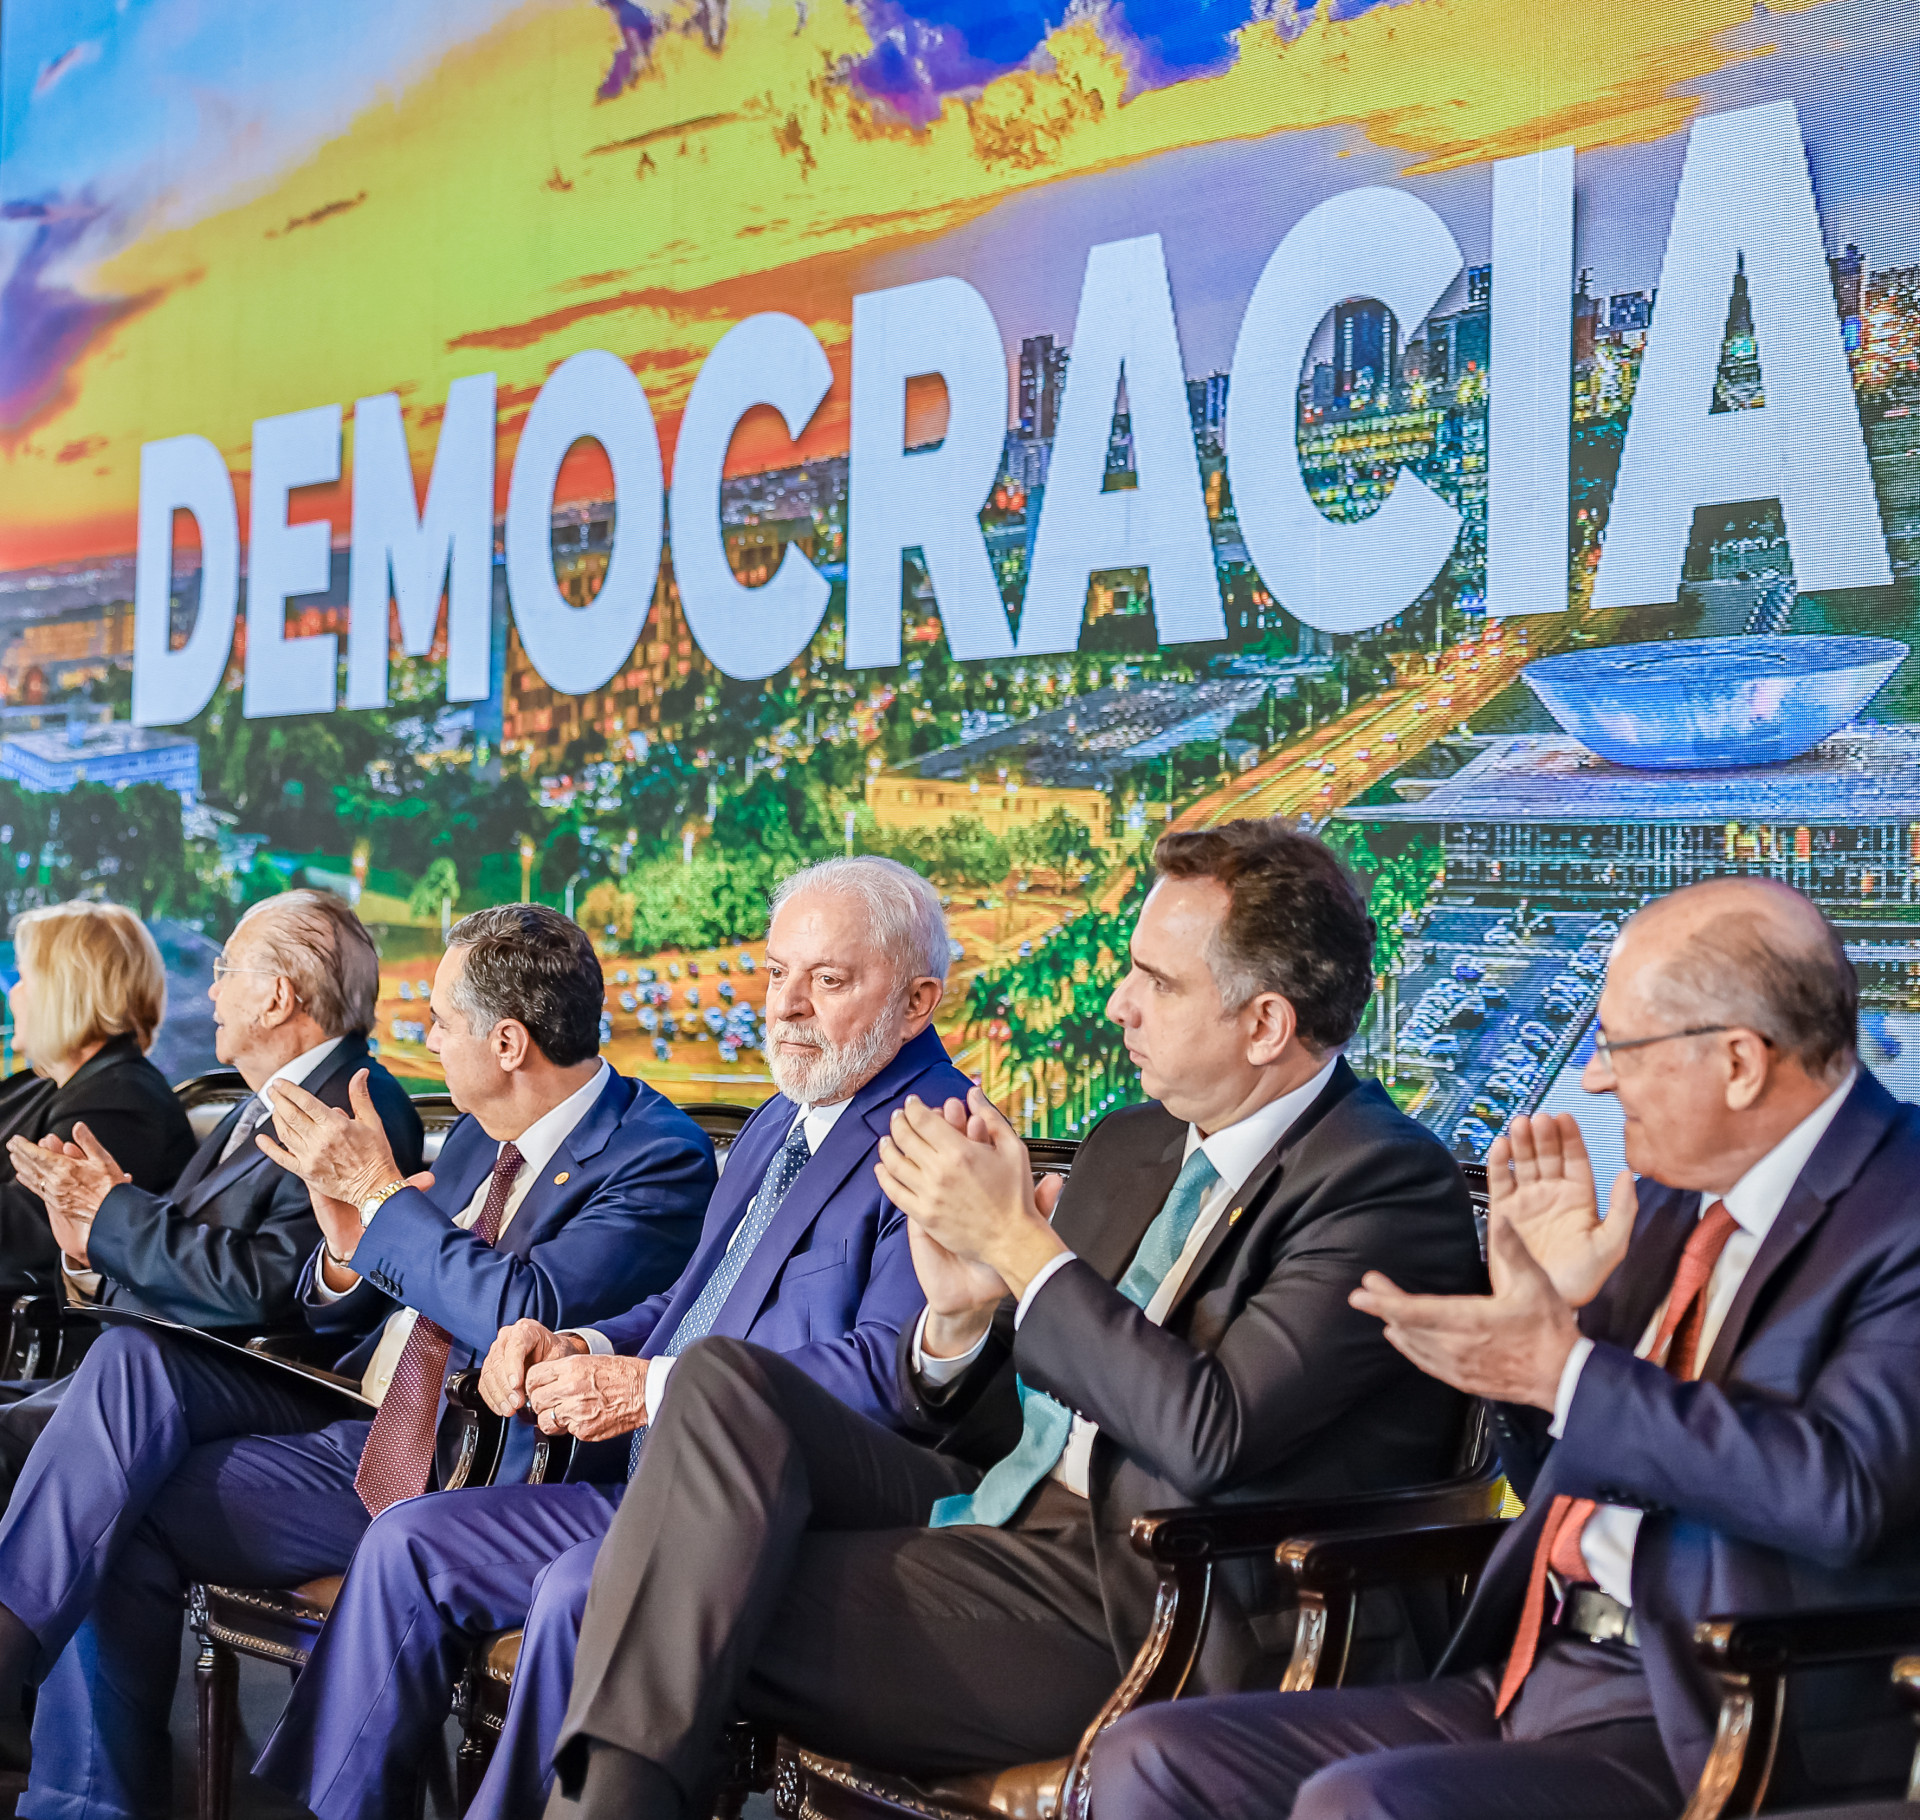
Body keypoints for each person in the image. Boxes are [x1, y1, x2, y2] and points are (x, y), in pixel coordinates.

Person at [545, 819, 1484, 1820]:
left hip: (1153, 1594)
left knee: (664, 1598)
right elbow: (1009, 1412)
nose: (1120, 1003)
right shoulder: (1129, 1146)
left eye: (1158, 983)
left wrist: (1025, 1249)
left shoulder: (1381, 1184)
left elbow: (1210, 1434)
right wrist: (959, 1320)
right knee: (722, 1379)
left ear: (1263, 1023)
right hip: (997, 1516)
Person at [1088, 877, 1920, 1820]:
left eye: (1620, 1048)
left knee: (1362, 1804)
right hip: (1543, 1659)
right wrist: (1553, 1327)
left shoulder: (1900, 1211)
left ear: (1738, 1063)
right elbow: (1560, 1469)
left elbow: (1842, 1492)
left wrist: (1567, 1366)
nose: (1597, 1077)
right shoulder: (1680, 1194)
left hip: (1732, 1705)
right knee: (1152, 1755)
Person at [255, 856, 970, 1820]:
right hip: (643, 1481)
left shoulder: (939, 1139)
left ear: (920, 1000)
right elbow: (693, 1298)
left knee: (575, 1595)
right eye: (774, 973)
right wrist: (584, 1345)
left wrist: (655, 1388)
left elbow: (891, 1376)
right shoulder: (777, 1124)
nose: (787, 1006)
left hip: (763, 1513)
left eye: (828, 981)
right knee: (408, 1543)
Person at [0, 903, 715, 1820]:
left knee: (123, 1448)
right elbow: (341, 1308)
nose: (426, 1039)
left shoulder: (657, 1156)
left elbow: (525, 1311)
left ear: (505, 1042)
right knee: (121, 1463)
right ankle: (74, 1796)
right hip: (369, 1433)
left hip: (474, 1475)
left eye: (442, 1024)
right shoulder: (469, 1138)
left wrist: (379, 1198)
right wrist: (344, 1252)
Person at [4, 888, 421, 1328]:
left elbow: (270, 1290)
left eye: (227, 971)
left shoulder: (352, 1112)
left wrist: (110, 1212)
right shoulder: (265, 1105)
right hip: (140, 1361)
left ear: (276, 999)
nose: (212, 990)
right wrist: (87, 1249)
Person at [0, 901, 195, 1300]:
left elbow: (21, 1241)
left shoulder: (122, 1102)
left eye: (24, 978)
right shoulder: (47, 1083)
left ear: (65, 992)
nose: (13, 994)